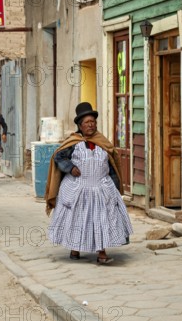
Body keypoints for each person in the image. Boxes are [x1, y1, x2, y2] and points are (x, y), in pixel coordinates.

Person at [45, 102, 133, 264]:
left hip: (101, 187)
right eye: (87, 122)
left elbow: (112, 164)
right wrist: (70, 168)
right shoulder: (73, 142)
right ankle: (75, 249)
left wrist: (115, 188)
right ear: (80, 125)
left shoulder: (103, 142)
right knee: (77, 218)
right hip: (78, 187)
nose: (91, 125)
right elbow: (58, 157)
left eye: (93, 122)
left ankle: (102, 253)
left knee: (102, 219)